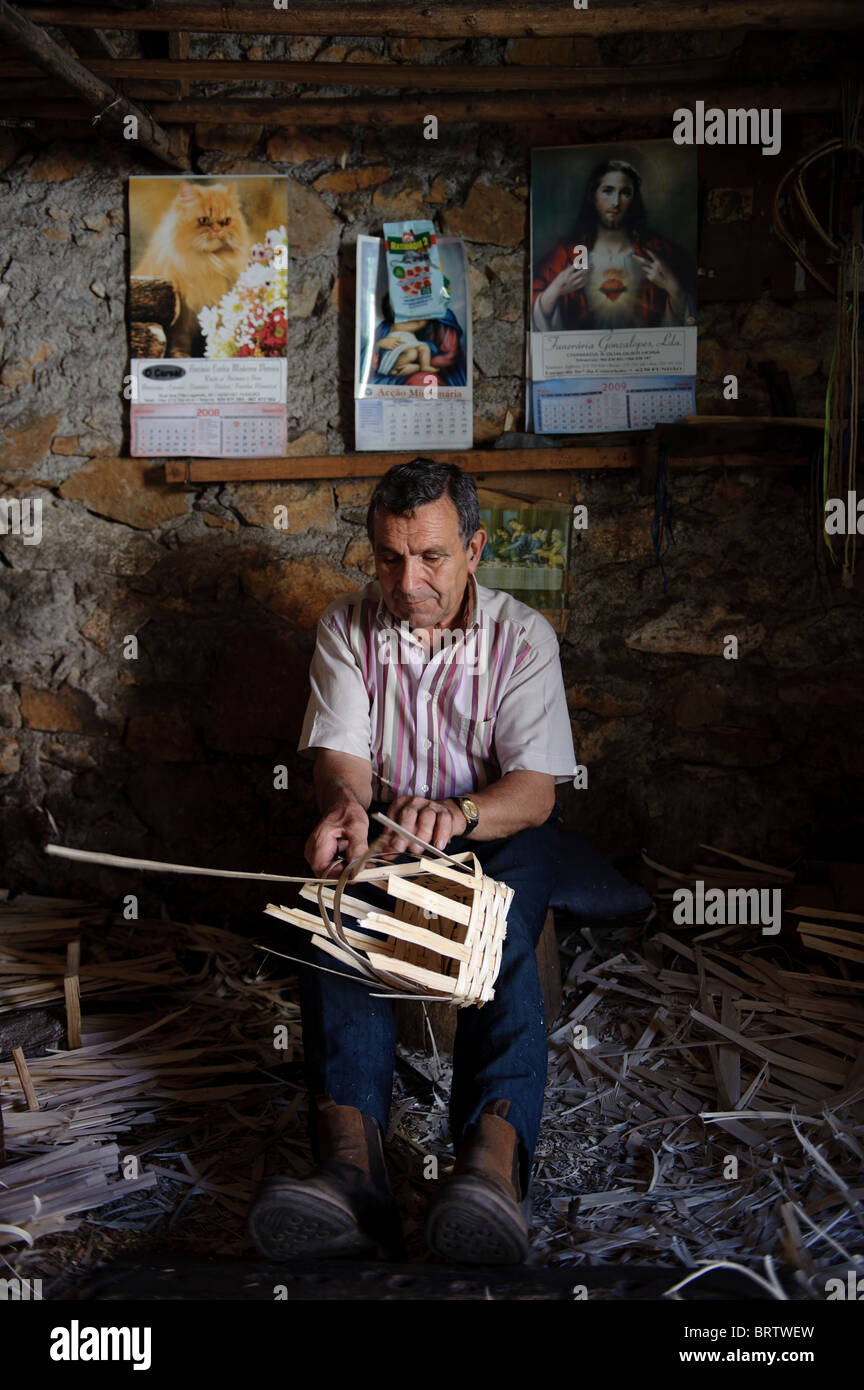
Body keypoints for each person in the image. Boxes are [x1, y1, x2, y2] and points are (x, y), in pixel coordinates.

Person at [248, 458, 578, 1266]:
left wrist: (463, 813)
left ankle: (490, 1173)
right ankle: (351, 1175)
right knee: (335, 920)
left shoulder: (521, 636)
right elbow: (341, 756)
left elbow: (535, 790)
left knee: (493, 935)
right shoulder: (345, 628)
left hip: (496, 826)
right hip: (391, 826)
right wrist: (348, 809)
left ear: (474, 547)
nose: (409, 580)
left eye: (430, 556)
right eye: (391, 558)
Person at [531, 157, 696, 332]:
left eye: (625, 193)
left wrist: (675, 290)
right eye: (607, 191)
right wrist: (555, 290)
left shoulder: (655, 250)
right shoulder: (569, 252)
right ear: (593, 196)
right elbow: (536, 310)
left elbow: (688, 320)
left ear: (633, 199)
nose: (615, 202)